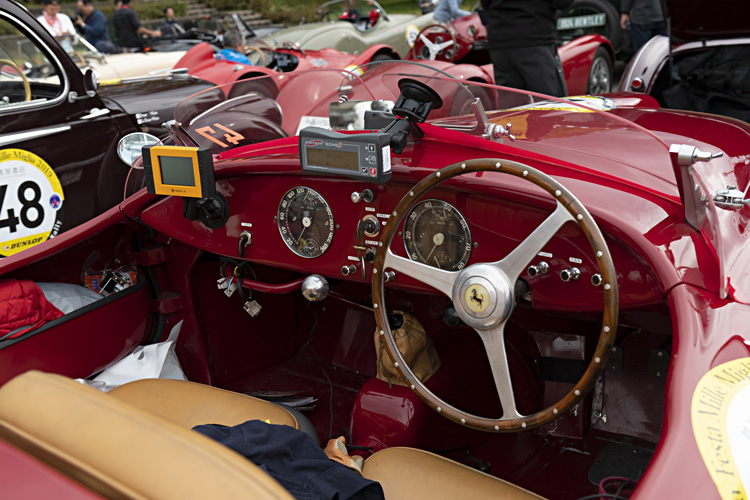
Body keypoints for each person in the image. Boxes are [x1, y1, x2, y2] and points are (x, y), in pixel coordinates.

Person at [480, 0, 574, 97]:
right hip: (534, 39)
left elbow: (486, 3)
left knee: (512, 103)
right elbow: (563, 3)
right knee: (549, 101)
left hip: (500, 40)